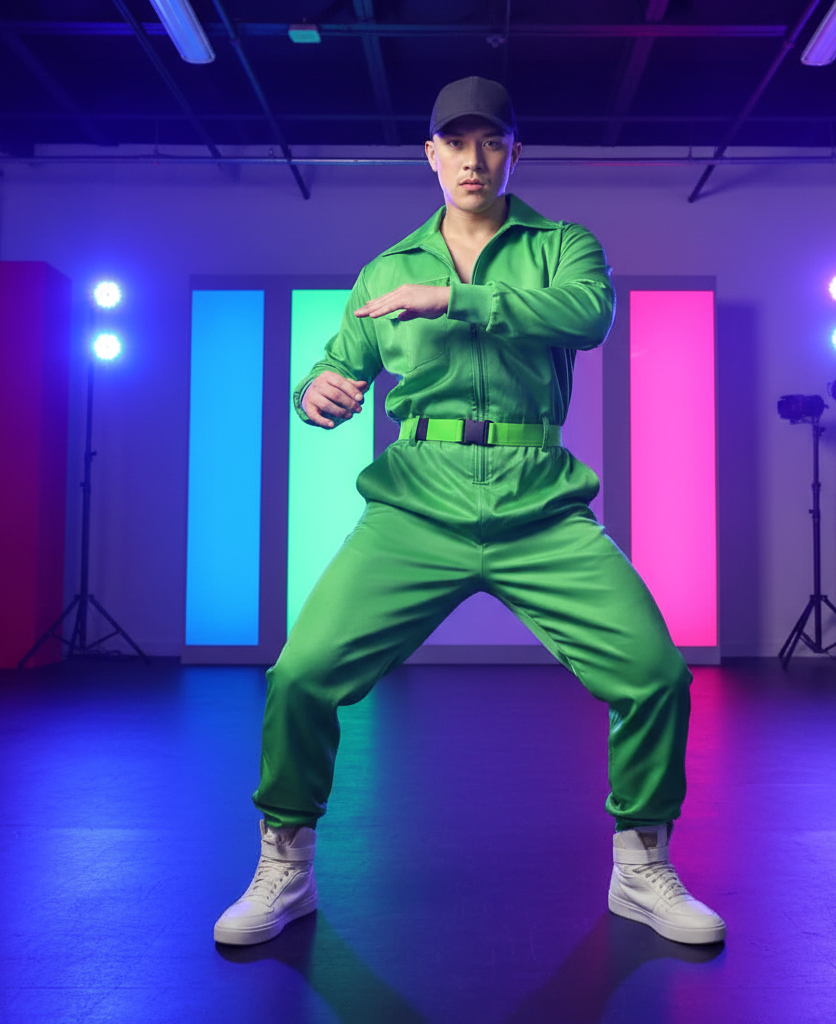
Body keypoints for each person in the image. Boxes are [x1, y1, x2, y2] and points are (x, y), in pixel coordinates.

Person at [213, 76, 725, 947]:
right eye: (455, 142)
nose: (473, 159)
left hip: (540, 503)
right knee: (300, 676)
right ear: (431, 154)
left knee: (655, 675)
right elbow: (335, 365)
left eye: (490, 141)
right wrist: (317, 394)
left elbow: (588, 315)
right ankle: (284, 864)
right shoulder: (385, 269)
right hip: (416, 501)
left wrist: (454, 299)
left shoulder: (562, 244)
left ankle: (642, 866)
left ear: (514, 151)